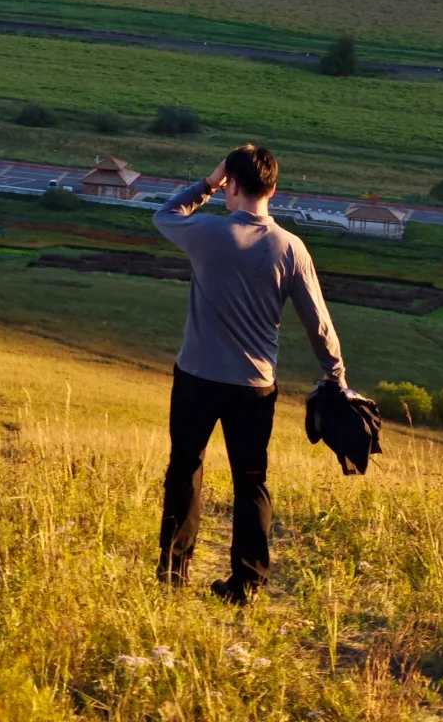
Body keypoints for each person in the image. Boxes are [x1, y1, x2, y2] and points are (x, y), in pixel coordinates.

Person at [153, 143, 346, 603]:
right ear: (274, 190)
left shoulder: (205, 231)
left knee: (185, 469)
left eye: (226, 183)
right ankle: (248, 584)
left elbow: (164, 215)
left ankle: (174, 574)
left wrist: (206, 184)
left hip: (197, 376)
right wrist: (334, 374)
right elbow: (317, 322)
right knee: (251, 481)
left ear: (232, 185)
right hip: (255, 387)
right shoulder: (290, 248)